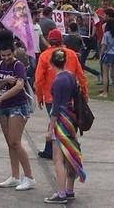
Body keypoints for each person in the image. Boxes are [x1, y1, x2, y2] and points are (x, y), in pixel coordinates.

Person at [0, 30, 37, 191]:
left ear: (13, 51)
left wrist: (0, 98)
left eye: (9, 54)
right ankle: (15, 176)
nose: (6, 58)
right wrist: (4, 81)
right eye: (3, 55)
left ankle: (29, 177)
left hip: (18, 106)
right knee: (10, 143)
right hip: (4, 108)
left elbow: (19, 86)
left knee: (15, 141)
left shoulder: (18, 65)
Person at [35, 28, 88, 160]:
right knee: (67, 121)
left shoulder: (44, 56)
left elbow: (39, 79)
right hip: (70, 96)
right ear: (62, 40)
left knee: (55, 121)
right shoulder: (71, 54)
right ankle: (57, 149)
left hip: (50, 96)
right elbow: (81, 76)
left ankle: (56, 150)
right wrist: (85, 93)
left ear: (48, 40)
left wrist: (39, 96)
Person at [43, 49, 87, 204]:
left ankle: (61, 193)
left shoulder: (57, 81)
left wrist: (50, 129)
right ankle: (69, 189)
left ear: (51, 62)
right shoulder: (70, 76)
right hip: (71, 119)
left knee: (58, 159)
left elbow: (55, 109)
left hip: (61, 120)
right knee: (71, 154)